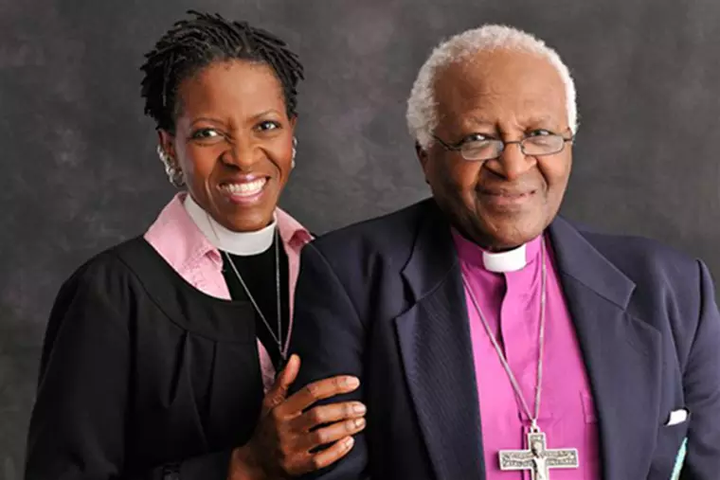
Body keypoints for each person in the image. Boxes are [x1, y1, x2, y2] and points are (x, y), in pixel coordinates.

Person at [288, 24, 720, 479]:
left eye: (539, 134)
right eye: (477, 139)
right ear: (426, 156)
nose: (513, 166)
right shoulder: (351, 279)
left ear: (569, 143)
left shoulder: (672, 289)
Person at [24, 11, 366, 480]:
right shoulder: (111, 294)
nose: (243, 157)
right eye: (208, 133)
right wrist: (243, 467)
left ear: (292, 131)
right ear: (169, 146)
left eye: (266, 126)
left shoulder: (343, 270)